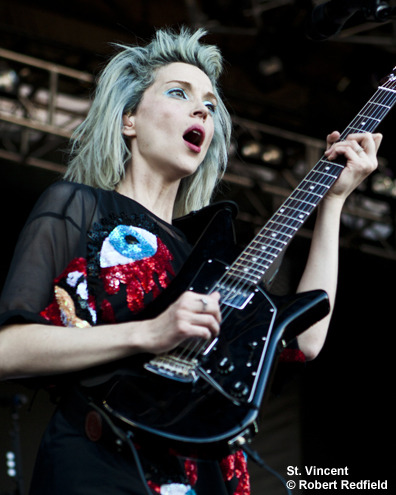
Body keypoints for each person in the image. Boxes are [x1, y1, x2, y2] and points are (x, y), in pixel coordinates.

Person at [0, 27, 382, 495]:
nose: (202, 108)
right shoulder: (78, 205)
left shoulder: (209, 261)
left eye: (210, 104)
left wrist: (334, 204)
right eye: (179, 93)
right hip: (103, 460)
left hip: (202, 474)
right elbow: (8, 350)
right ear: (129, 120)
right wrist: (149, 333)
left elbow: (305, 338)